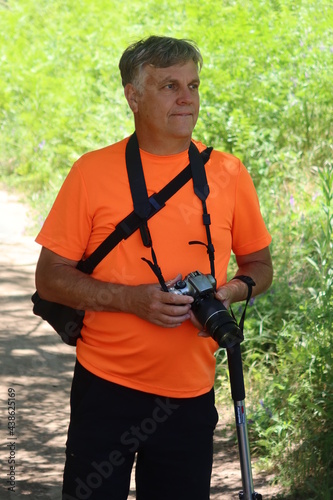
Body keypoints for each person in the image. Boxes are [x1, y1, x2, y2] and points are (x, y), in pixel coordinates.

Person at [35, 36, 273, 500]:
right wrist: (132, 300)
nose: (187, 98)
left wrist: (232, 291)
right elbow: (50, 278)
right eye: (169, 85)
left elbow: (260, 264)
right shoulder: (91, 172)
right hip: (106, 388)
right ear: (133, 95)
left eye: (193, 85)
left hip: (191, 394)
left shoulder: (228, 172)